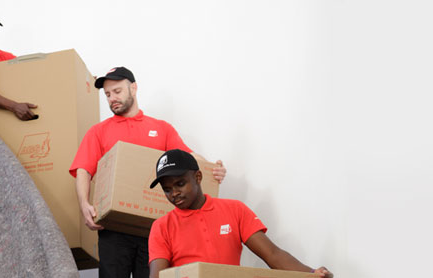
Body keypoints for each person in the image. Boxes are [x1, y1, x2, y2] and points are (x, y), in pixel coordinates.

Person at [69, 66, 227, 278]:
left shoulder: (161, 128)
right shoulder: (98, 131)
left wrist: (211, 168)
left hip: (156, 229)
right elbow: (83, 170)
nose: (111, 98)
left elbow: (188, 156)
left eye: (117, 91)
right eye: (107, 94)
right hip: (114, 228)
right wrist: (84, 205)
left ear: (133, 88)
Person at [148, 149, 334, 278]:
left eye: (180, 184)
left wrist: (312, 274)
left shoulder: (234, 210)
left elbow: (272, 254)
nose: (174, 193)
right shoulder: (161, 227)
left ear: (198, 177)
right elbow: (157, 275)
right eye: (167, 189)